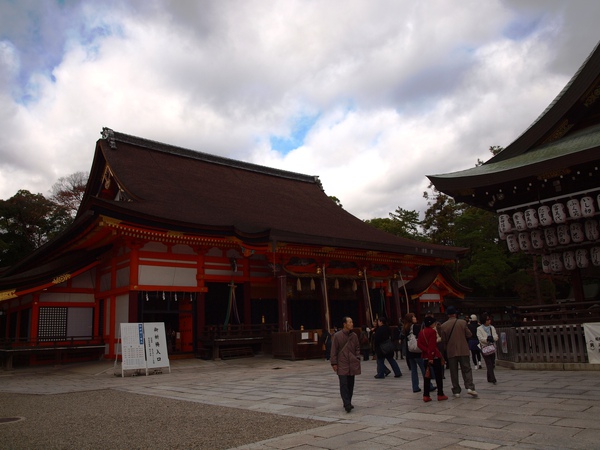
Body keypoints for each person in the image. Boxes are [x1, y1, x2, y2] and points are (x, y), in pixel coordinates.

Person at [440, 306, 478, 398]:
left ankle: (456, 390)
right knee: (466, 369)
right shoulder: (462, 322)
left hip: (451, 351)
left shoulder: (443, 325)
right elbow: (469, 334)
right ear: (455, 314)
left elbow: (443, 340)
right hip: (463, 349)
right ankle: (470, 387)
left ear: (448, 315)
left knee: (453, 371)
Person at [330, 316, 361, 412]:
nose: (352, 324)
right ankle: (347, 403)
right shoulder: (337, 336)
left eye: (352, 322)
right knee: (343, 384)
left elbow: (357, 348)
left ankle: (348, 401)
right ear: (344, 324)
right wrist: (334, 363)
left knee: (350, 384)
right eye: (350, 322)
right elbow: (334, 350)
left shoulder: (354, 336)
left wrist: (357, 357)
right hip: (342, 362)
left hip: (352, 363)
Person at [417, 316, 448, 402]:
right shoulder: (432, 332)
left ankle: (426, 395)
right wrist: (431, 355)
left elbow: (419, 344)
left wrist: (426, 351)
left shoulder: (421, 332)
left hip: (425, 356)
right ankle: (440, 394)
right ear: (431, 324)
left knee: (427, 376)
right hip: (434, 356)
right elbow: (432, 345)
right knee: (438, 375)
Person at [402, 313, 434, 393]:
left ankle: (415, 387)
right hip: (417, 351)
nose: (415, 318)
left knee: (414, 370)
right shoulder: (415, 327)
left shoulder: (405, 327)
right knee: (424, 369)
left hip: (410, 351)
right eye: (413, 317)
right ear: (411, 319)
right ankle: (429, 385)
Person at [477, 314, 499, 385]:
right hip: (484, 347)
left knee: (492, 363)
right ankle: (493, 379)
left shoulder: (492, 327)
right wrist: (487, 339)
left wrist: (493, 338)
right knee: (488, 363)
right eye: (487, 319)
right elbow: (480, 338)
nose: (489, 321)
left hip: (491, 346)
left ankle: (489, 377)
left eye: (489, 319)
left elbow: (496, 336)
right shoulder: (479, 328)